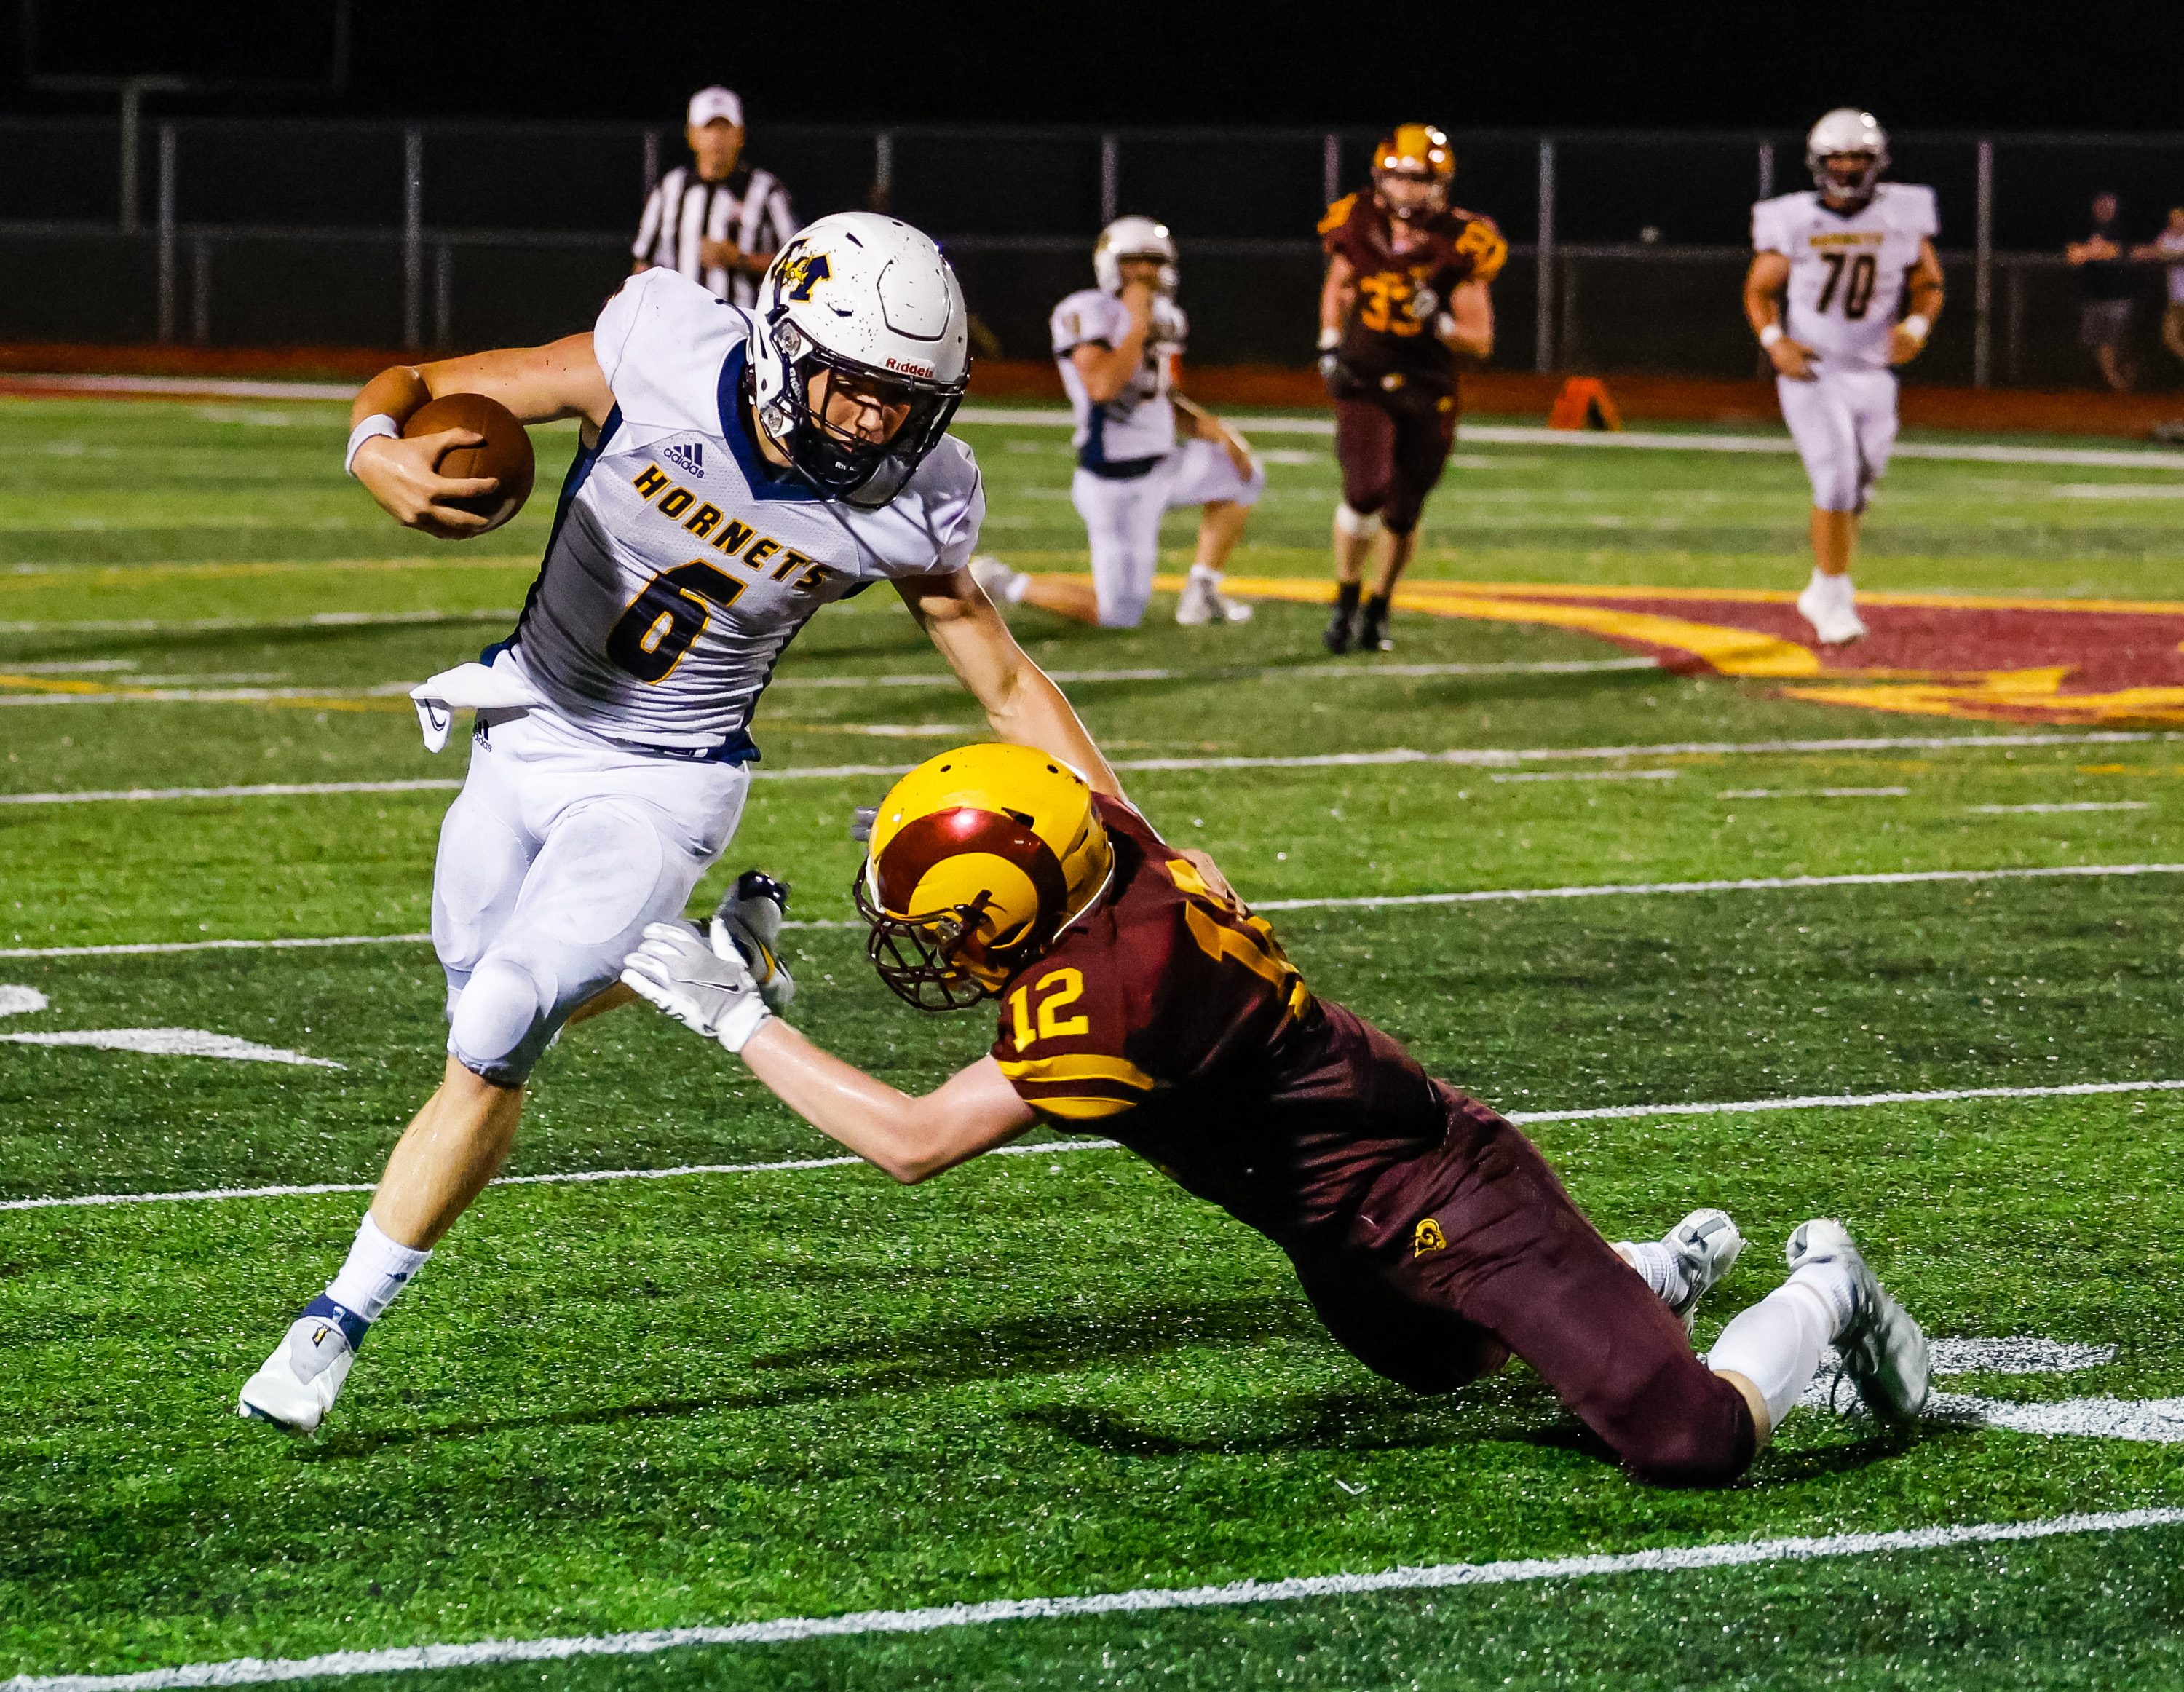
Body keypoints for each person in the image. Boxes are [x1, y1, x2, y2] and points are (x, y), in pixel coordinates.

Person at [235, 213, 1131, 1434]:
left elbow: (1008, 681)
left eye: (904, 401)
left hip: (668, 779)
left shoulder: (916, 498)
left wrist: (1141, 839)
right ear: (778, 343)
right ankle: (724, 956)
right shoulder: (658, 343)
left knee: (501, 1019)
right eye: (855, 387)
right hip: (525, 725)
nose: (875, 423)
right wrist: (375, 447)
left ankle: (332, 1322)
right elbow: (426, 385)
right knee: (485, 1001)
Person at [620, 743, 1935, 1490]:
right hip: (1337, 1220)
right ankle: (1635, 1279)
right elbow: (1029, 717)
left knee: (1686, 1441)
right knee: (1438, 1363)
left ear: (1024, 901)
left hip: (1440, 1190)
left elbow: (911, 1139)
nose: (929, 944)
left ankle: (1831, 1294)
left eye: (947, 916)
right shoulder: (1107, 848)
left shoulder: (1112, 993)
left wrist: (734, 1017)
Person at [970, 217, 1262, 629]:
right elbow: (1104, 385)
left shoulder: (1167, 317)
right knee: (1117, 616)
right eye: (1135, 261)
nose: (1146, 271)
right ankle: (1002, 581)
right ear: (1111, 264)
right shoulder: (1086, 311)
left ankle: (1202, 592)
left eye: (1153, 261)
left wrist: (1216, 430)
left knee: (1243, 472)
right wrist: (1136, 322)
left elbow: (1159, 392)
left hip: (1163, 467)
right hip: (1115, 484)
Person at [1744, 108, 1943, 647]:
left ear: (1877, 162)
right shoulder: (1794, 219)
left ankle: (1821, 585)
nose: (1849, 167)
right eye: (1839, 157)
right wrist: (1775, 342)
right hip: (1815, 371)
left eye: (1859, 157)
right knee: (1834, 480)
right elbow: (1759, 290)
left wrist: (1918, 326)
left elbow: (1929, 283)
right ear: (1818, 163)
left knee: (1859, 487)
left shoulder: (1901, 214)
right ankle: (1833, 595)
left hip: (1873, 373)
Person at [1316, 125, 1504, 655]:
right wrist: (1330, 344)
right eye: (1400, 178)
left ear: (1441, 184)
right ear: (1381, 178)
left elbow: (1481, 339)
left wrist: (1440, 323)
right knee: (1365, 489)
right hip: (1366, 376)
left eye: (1421, 180)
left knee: (1403, 510)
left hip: (1427, 385)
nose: (1409, 191)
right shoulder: (1356, 221)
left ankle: (1379, 605)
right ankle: (1345, 597)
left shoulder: (1462, 241)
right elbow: (1339, 286)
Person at [631, 86, 799, 309]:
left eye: (725, 128)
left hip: (744, 326)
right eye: (709, 128)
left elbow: (797, 262)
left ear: (740, 135)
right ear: (692, 135)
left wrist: (741, 260)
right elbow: (644, 265)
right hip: (679, 326)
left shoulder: (767, 190)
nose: (717, 138)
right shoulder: (668, 190)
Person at [2067, 193, 2135, 393]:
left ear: (2116, 207)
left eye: (2109, 205)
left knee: (2112, 339)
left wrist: (2091, 251)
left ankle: (2116, 378)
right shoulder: (2085, 228)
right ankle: (2108, 379)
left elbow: (2117, 251)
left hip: (2119, 295)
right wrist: (2091, 250)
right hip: (2094, 295)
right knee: (2095, 341)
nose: (2104, 209)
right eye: (2100, 205)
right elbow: (2073, 255)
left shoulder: (2122, 228)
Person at [2130, 205, 2184, 372]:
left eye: (2180, 218)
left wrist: (2154, 253)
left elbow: (2162, 254)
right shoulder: (2166, 237)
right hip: (2176, 298)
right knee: (2170, 338)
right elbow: (2155, 250)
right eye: (2174, 219)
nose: (2177, 221)